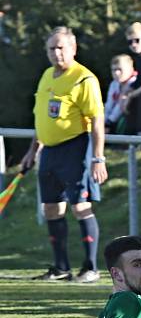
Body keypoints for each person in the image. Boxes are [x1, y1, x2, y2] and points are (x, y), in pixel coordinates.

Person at [20, 27, 108, 283]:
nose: (56, 53)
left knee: (80, 205)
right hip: (50, 151)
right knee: (50, 208)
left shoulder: (84, 79)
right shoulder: (47, 75)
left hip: (76, 148)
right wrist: (32, 150)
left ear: (73, 49)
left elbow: (97, 119)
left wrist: (98, 157)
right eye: (51, 48)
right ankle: (61, 268)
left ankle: (90, 268)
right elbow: (42, 117)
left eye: (61, 48)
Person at [104, 54, 137, 134]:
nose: (116, 73)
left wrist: (109, 123)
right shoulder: (114, 84)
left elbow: (120, 106)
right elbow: (109, 105)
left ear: (130, 69)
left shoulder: (134, 83)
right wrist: (104, 122)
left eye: (120, 69)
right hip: (112, 119)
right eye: (114, 70)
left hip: (129, 117)